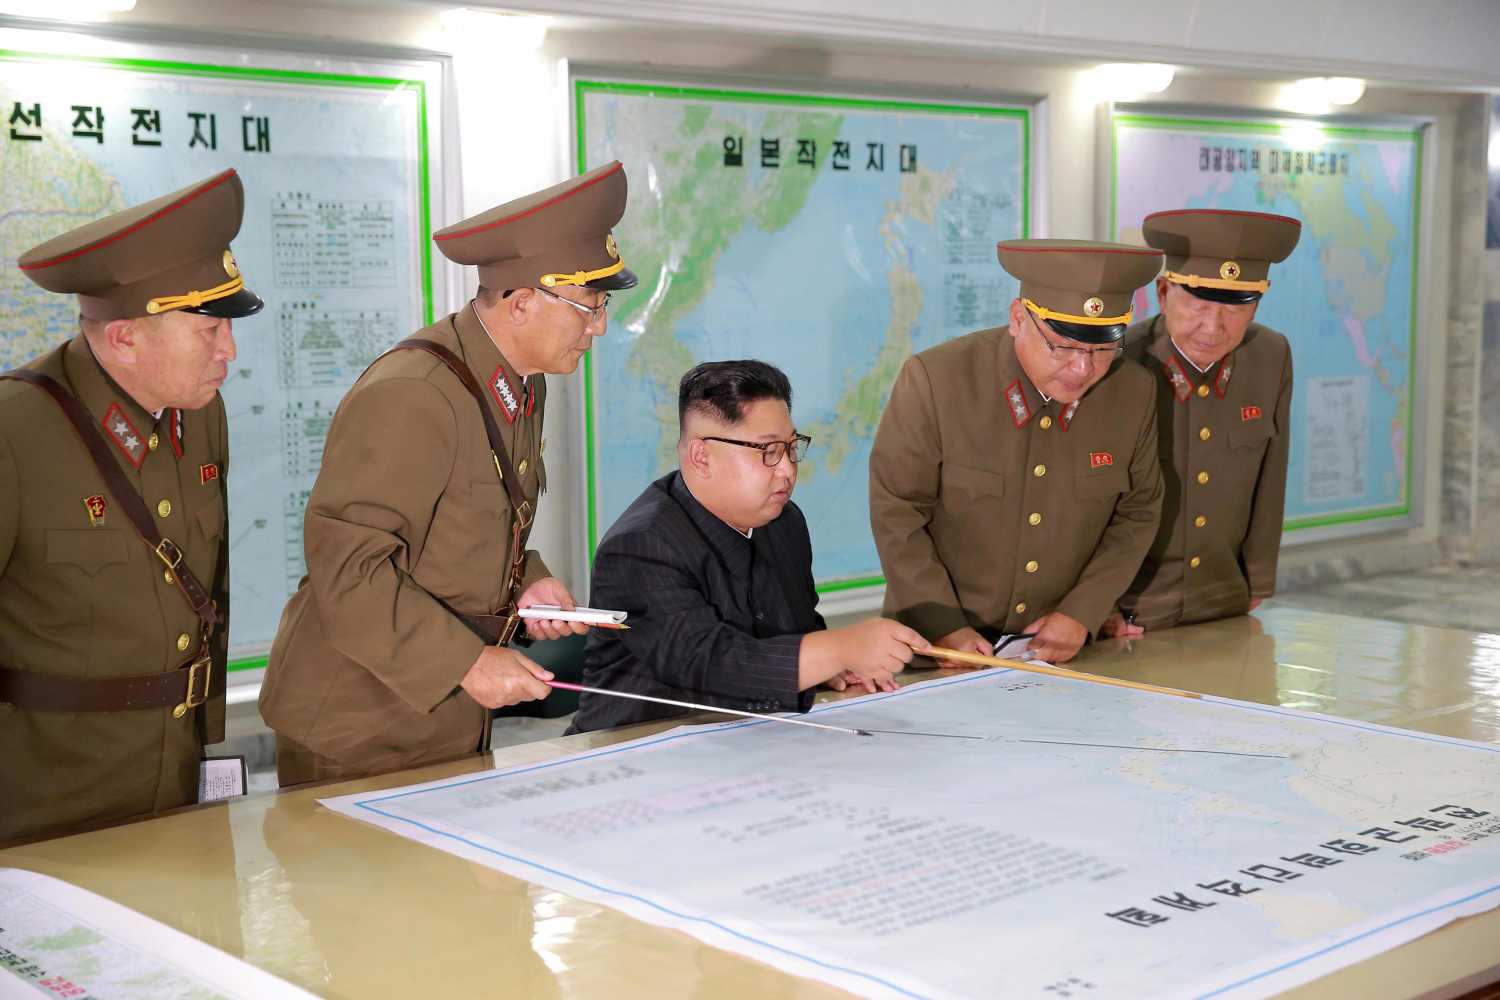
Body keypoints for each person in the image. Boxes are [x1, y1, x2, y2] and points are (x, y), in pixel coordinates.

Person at [260, 162, 637, 785]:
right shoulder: (415, 393)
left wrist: (530, 582)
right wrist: (467, 663)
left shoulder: (517, 383)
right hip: (360, 723)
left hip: (441, 715)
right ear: (521, 304)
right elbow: (348, 569)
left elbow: (472, 528)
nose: (598, 327)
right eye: (588, 306)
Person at [0, 169, 263, 843]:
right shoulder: (16, 432)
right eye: (208, 331)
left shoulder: (199, 415)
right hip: (49, 813)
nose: (229, 350)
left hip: (179, 789)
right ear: (125, 338)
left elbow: (207, 599)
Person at [568, 360, 923, 733]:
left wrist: (831, 668)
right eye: (768, 451)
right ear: (701, 456)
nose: (786, 468)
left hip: (750, 738)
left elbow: (797, 626)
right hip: (634, 752)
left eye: (791, 447)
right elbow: (711, 664)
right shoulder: (639, 547)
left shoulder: (784, 521)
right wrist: (840, 648)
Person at [870, 239, 1164, 665]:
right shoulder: (937, 381)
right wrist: (944, 627)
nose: (1083, 369)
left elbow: (1138, 513)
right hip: (935, 652)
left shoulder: (1133, 391)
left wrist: (1081, 612)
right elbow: (897, 510)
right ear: (1017, 318)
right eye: (1062, 346)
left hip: (1065, 651)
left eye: (1102, 349)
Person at [1104, 209, 1301, 636]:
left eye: (1235, 307)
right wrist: (1092, 605)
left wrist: (1258, 577)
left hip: (1225, 598)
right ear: (1162, 292)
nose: (1213, 327)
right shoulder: (1117, 362)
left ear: (1257, 304)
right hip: (1131, 606)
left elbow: (1272, 472)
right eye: (1197, 302)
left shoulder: (1269, 355)